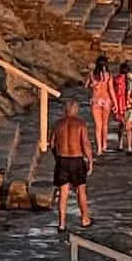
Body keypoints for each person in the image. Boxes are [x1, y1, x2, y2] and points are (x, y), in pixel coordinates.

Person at [50, 96, 93, 230]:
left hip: (62, 159)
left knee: (63, 193)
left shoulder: (58, 124)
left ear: (65, 110)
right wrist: (90, 160)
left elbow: (52, 143)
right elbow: (85, 143)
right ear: (75, 110)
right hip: (76, 159)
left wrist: (57, 157)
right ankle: (85, 219)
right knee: (81, 191)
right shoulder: (80, 124)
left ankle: (62, 223)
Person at [89, 53, 116, 160]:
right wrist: (116, 104)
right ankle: (104, 145)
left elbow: (87, 85)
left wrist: (92, 85)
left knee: (98, 126)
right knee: (105, 125)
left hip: (96, 100)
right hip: (106, 100)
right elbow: (111, 90)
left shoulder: (92, 74)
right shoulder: (108, 75)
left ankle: (99, 148)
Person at [109, 60, 132, 154]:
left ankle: (120, 144)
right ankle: (130, 148)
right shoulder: (131, 81)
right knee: (129, 128)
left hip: (119, 105)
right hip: (128, 106)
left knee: (121, 126)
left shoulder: (116, 79)